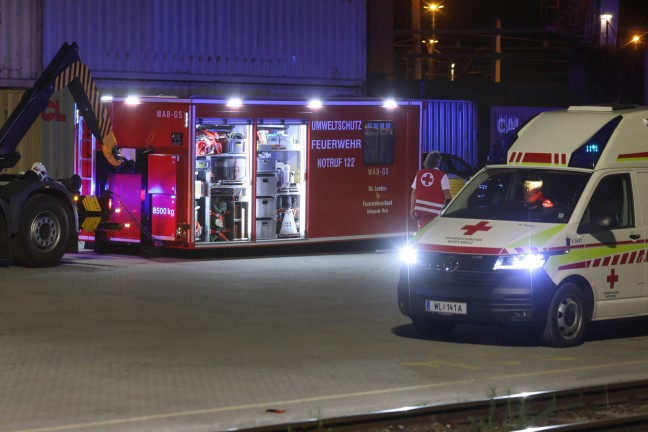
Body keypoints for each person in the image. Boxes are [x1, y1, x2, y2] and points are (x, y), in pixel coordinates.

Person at [410, 151, 452, 230]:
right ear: (438, 161)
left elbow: (414, 193)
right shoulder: (442, 175)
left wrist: (412, 208)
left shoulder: (419, 174)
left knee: (423, 233)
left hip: (421, 211)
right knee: (435, 234)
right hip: (436, 212)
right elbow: (447, 195)